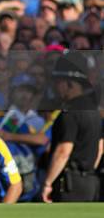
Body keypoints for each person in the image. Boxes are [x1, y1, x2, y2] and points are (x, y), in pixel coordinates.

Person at [41, 52, 102, 203]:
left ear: (70, 84)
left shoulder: (70, 114)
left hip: (68, 184)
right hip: (90, 183)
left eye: (59, 82)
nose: (56, 87)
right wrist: (87, 171)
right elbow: (100, 147)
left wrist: (48, 183)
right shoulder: (93, 111)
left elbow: (63, 151)